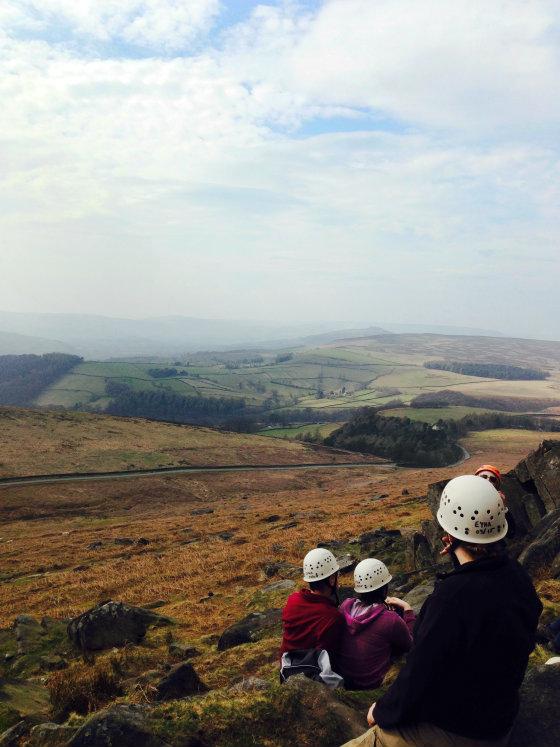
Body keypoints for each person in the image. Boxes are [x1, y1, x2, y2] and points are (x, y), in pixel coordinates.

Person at [341, 474, 543, 747]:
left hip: (458, 730)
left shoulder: (453, 596)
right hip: (498, 721)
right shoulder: (518, 577)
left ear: (448, 535)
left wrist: (381, 710)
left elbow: (419, 672)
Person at [337, 558, 415, 690]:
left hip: (345, 679)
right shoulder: (390, 620)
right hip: (372, 683)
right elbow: (410, 644)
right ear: (385, 589)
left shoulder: (345, 606)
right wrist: (407, 610)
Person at [280, 547, 344, 662]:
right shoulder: (332, 617)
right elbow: (329, 660)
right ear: (332, 580)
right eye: (336, 575)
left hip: (287, 669)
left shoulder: (293, 600)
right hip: (313, 677)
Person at [475, 463, 516, 537]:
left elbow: (511, 533)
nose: (488, 480)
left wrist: (503, 508)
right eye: (484, 477)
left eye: (493, 479)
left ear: (496, 487)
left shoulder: (495, 507)